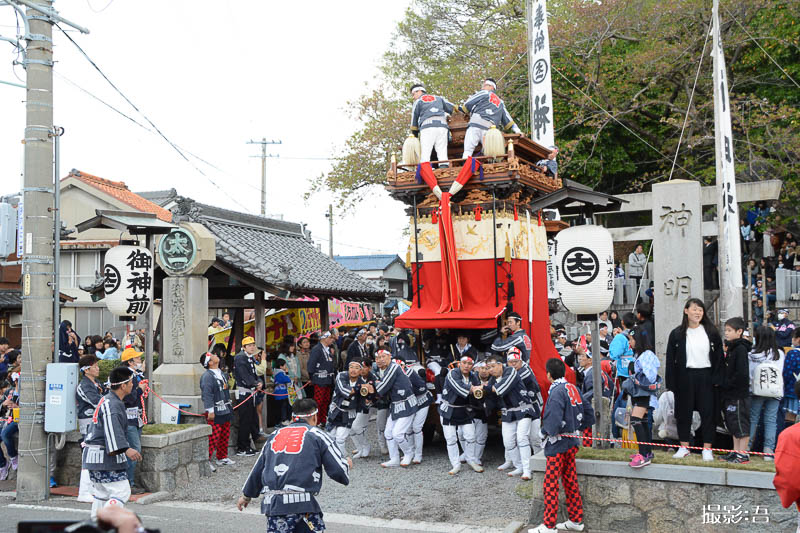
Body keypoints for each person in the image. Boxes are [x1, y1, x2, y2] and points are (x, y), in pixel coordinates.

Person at [237, 398, 351, 533]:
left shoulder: (274, 435)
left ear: (292, 417)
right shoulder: (317, 435)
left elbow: (259, 467)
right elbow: (338, 470)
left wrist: (246, 495)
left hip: (274, 506)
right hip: (303, 505)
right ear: (314, 417)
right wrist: (346, 465)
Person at [529, 358, 593, 533]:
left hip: (558, 444)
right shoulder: (573, 387)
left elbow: (553, 420)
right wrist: (578, 427)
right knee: (570, 481)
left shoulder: (556, 391)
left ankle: (549, 525)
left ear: (549, 374)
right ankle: (576, 519)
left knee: (550, 484)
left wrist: (544, 432)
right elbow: (588, 411)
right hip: (571, 441)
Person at [665, 298, 723, 461]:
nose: (698, 313)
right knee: (683, 413)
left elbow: (719, 357)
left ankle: (707, 448)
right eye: (694, 309)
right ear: (686, 311)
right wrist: (671, 383)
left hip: (706, 376)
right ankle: (684, 446)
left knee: (708, 413)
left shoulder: (711, 332)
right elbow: (670, 360)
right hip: (685, 376)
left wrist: (718, 379)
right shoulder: (677, 333)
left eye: (700, 310)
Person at [82, 366, 142, 520]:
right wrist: (126, 448)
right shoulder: (112, 404)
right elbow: (112, 430)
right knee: (121, 492)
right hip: (104, 456)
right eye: (131, 382)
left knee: (102, 494)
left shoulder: (108, 400)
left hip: (96, 455)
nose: (132, 385)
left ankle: (96, 523)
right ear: (123, 386)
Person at [484, 352, 535, 479]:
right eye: (488, 368)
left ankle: (527, 469)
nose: (491, 370)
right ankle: (519, 466)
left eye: (493, 366)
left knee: (522, 438)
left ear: (500, 364)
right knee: (508, 442)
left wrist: (484, 388)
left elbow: (501, 388)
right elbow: (491, 399)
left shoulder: (511, 371)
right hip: (507, 412)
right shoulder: (492, 380)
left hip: (523, 409)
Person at [368, 349, 417, 468]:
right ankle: (394, 458)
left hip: (406, 404)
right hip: (395, 405)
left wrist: (373, 385)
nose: (380, 360)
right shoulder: (386, 369)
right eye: (378, 358)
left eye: (383, 356)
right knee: (388, 433)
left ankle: (409, 453)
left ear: (390, 357)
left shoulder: (394, 367)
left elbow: (382, 388)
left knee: (397, 434)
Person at [715, 316, 752, 464]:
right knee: (733, 424)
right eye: (726, 330)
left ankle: (743, 454)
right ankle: (736, 451)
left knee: (741, 423)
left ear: (739, 331)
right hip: (730, 394)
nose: (726, 333)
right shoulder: (732, 348)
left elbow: (741, 374)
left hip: (738, 394)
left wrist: (727, 384)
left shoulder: (740, 349)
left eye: (729, 330)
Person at [438, 354, 482, 474]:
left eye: (469, 364)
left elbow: (478, 392)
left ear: (472, 366)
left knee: (471, 436)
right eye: (464, 363)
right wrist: (473, 389)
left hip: (464, 410)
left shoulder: (473, 376)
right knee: (451, 439)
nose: (466, 366)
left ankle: (471, 459)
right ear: (459, 364)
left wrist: (481, 389)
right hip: (449, 409)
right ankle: (455, 464)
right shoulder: (452, 373)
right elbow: (459, 387)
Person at [624, 331, 661, 468]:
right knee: (643, 420)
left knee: (636, 419)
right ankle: (646, 452)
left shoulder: (647, 355)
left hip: (644, 392)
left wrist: (636, 376)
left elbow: (650, 376)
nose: (630, 342)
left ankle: (643, 455)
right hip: (640, 392)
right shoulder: (640, 354)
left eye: (632, 339)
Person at [460, 78, 521, 158]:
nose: (482, 87)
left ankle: (465, 163)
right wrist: (517, 130)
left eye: (485, 85)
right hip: (489, 130)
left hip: (475, 125)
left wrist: (463, 109)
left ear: (491, 87)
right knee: (489, 153)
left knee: (468, 150)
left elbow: (468, 103)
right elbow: (508, 119)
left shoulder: (484, 93)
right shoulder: (500, 102)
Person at [749, 325, 785, 461]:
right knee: (771, 420)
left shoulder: (752, 353)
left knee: (753, 419)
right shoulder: (778, 353)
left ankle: (747, 447)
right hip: (774, 392)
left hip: (757, 391)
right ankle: (768, 451)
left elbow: (750, 374)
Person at [76, 355, 105, 501]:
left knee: (97, 456)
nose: (98, 368)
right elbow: (97, 402)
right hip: (88, 423)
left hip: (98, 423)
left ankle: (93, 489)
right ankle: (84, 491)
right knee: (88, 456)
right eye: (95, 366)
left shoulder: (97, 383)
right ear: (86, 370)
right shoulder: (84, 386)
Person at [199, 351, 235, 473]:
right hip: (215, 409)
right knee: (213, 436)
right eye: (212, 355)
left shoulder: (221, 373)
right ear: (210, 362)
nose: (215, 355)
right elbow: (207, 394)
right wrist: (210, 410)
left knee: (225, 433)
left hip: (225, 407)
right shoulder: (207, 376)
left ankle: (222, 456)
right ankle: (207, 460)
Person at [506, 348, 544, 455]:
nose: (513, 364)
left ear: (521, 360)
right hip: (517, 407)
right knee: (511, 437)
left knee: (534, 437)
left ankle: (539, 459)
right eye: (510, 361)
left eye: (516, 361)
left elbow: (508, 383)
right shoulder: (509, 371)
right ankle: (511, 460)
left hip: (534, 406)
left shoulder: (524, 371)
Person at [119, 347, 146, 493]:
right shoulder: (126, 377)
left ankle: (129, 481)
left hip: (136, 417)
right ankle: (128, 483)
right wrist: (140, 389)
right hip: (129, 418)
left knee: (134, 448)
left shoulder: (134, 375)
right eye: (137, 359)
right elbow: (128, 398)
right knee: (134, 449)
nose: (139, 361)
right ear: (130, 362)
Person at [409, 83, 455, 167]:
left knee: (425, 154)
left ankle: (426, 173)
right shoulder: (439, 98)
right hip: (442, 127)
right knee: (442, 153)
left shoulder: (418, 101)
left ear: (419, 91)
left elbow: (414, 117)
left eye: (413, 94)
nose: (413, 97)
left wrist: (414, 133)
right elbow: (452, 107)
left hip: (427, 127)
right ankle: (444, 170)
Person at [326, 360, 365, 455]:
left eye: (357, 368)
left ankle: (342, 458)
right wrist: (359, 388)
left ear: (360, 371)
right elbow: (344, 390)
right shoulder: (341, 375)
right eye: (351, 367)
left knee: (340, 438)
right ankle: (332, 456)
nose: (353, 370)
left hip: (349, 413)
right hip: (335, 409)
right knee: (330, 436)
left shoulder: (362, 382)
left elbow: (364, 400)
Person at [234, 336, 263, 456]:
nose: (252, 347)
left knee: (250, 419)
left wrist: (258, 382)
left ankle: (247, 445)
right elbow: (244, 375)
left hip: (250, 392)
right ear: (244, 347)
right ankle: (242, 447)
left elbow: (254, 374)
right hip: (244, 393)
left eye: (253, 345)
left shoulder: (249, 357)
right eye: (249, 345)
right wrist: (255, 383)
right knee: (245, 421)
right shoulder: (240, 357)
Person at [403, 357, 433, 464]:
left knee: (417, 427)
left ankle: (418, 454)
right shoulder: (394, 374)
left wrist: (407, 390)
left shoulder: (414, 372)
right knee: (408, 428)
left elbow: (422, 388)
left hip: (422, 400)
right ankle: (410, 452)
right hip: (410, 402)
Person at [349, 359, 379, 458]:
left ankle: (366, 446)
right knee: (350, 428)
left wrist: (370, 398)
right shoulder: (356, 377)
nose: (362, 369)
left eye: (364, 367)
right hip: (357, 405)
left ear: (370, 368)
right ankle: (360, 447)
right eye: (360, 367)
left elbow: (377, 394)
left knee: (356, 426)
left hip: (372, 405)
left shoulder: (374, 377)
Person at [308, 331, 336, 426]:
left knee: (326, 400)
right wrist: (312, 377)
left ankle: (323, 419)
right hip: (319, 378)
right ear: (324, 338)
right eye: (330, 338)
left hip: (328, 378)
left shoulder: (327, 349)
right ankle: (316, 420)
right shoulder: (317, 349)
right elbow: (311, 364)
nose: (332, 340)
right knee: (318, 401)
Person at [783, 329, 800, 426]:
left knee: (790, 417)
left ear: (798, 339)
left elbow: (787, 373)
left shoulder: (793, 353)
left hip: (792, 391)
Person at [273, 358, 293, 426]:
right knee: (283, 407)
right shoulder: (280, 373)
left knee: (280, 408)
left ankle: (282, 420)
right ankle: (283, 420)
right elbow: (287, 380)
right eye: (284, 365)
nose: (285, 366)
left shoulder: (276, 372)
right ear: (281, 366)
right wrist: (287, 373)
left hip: (279, 393)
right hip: (282, 394)